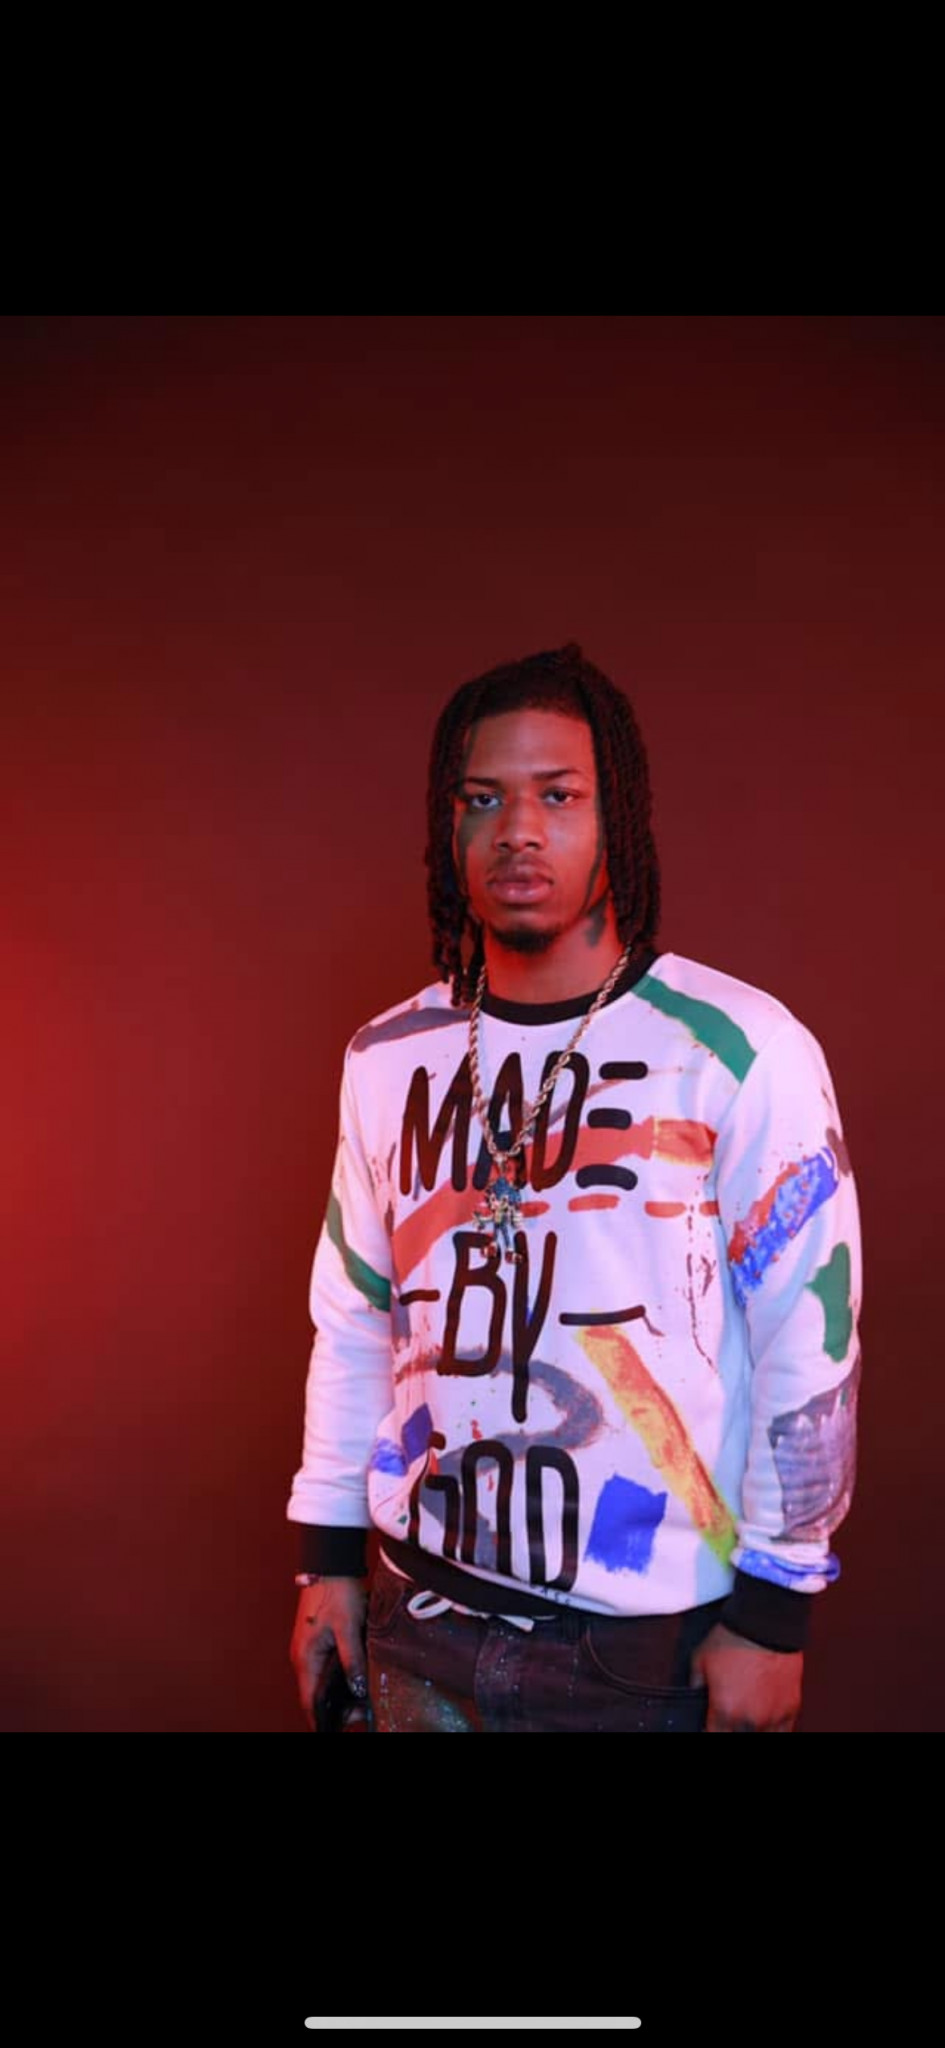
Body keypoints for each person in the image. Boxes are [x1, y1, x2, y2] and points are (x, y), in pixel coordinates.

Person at [287, 643, 863, 1732]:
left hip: (643, 1644)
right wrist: (328, 1557)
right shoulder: (388, 1055)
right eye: (482, 798)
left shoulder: (736, 1048)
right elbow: (356, 1317)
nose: (517, 829)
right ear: (447, 826)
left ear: (617, 817)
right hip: (418, 1614)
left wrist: (776, 1612)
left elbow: (808, 1336)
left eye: (558, 795)